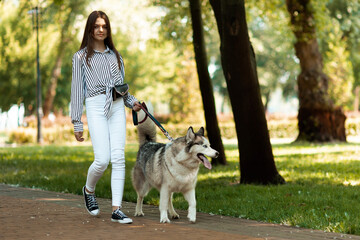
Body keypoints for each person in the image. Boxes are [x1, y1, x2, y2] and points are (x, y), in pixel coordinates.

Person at [70, 10, 141, 224]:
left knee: (119, 158)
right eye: (97, 26)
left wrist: (133, 102)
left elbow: (121, 88)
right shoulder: (80, 57)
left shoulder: (116, 56)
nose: (101, 30)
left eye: (104, 26)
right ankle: (89, 190)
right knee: (102, 159)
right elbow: (76, 91)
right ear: (90, 29)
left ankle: (116, 209)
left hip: (117, 106)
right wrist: (76, 122)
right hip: (95, 104)